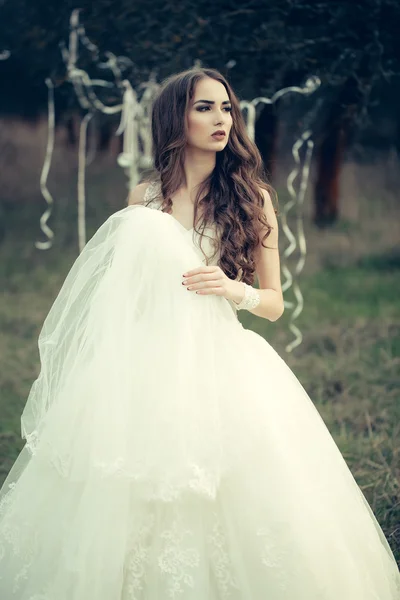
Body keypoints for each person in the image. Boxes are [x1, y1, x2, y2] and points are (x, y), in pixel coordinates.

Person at [0, 67, 399, 600]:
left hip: (221, 355)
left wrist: (232, 289)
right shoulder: (143, 198)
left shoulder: (251, 197)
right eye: (204, 107)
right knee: (128, 481)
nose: (221, 119)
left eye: (227, 108)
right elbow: (128, 291)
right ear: (175, 117)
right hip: (151, 356)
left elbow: (276, 305)